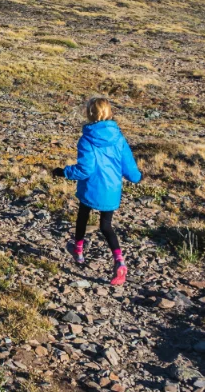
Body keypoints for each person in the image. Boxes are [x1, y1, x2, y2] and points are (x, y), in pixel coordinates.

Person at [52, 96, 142, 286]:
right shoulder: (119, 138)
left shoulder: (87, 139)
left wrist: (64, 172)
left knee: (82, 217)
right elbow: (129, 166)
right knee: (106, 226)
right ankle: (119, 260)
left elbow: (85, 169)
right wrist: (136, 177)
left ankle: (78, 252)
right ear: (109, 112)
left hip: (91, 187)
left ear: (89, 114)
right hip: (111, 189)